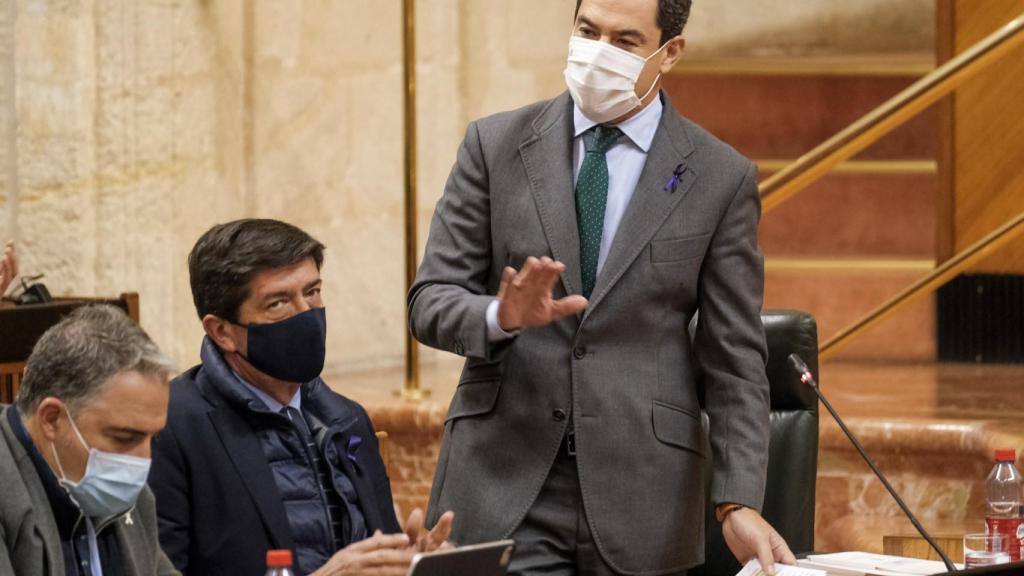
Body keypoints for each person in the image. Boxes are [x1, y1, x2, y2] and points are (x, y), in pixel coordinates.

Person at [408, 0, 796, 574]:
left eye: (624, 40)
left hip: (645, 496)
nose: (597, 53)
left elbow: (734, 356)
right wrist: (501, 315)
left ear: (670, 53)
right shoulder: (494, 145)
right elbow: (429, 301)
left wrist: (738, 499)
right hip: (504, 479)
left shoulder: (720, 176)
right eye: (588, 32)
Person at [149, 219, 453, 576]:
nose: (307, 315)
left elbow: (377, 549)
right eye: (278, 303)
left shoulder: (347, 418)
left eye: (312, 292)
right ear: (222, 332)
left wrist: (411, 562)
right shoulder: (170, 425)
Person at [0, 304, 179, 575]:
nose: (143, 459)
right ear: (51, 419)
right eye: (125, 437)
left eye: (152, 438)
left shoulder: (124, 494)